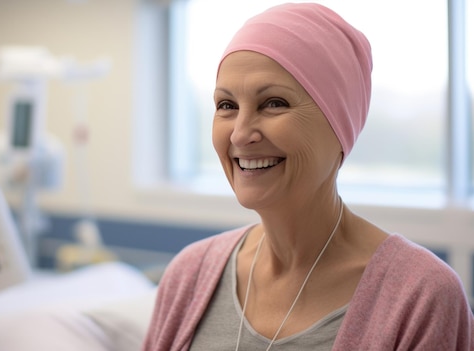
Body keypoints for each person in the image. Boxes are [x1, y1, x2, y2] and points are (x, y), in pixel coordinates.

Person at [141, 3, 473, 350]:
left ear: (339, 124)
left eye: (273, 103)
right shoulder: (189, 276)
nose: (240, 134)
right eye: (227, 106)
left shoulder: (421, 297)